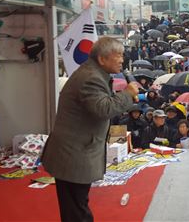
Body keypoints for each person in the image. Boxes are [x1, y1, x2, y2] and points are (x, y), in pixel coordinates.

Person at [41, 37, 139, 222]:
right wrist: (127, 94)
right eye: (118, 55)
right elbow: (104, 109)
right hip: (73, 154)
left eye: (122, 55)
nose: (122, 60)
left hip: (75, 151)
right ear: (102, 59)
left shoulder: (94, 73)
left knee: (75, 205)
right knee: (77, 210)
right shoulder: (91, 78)